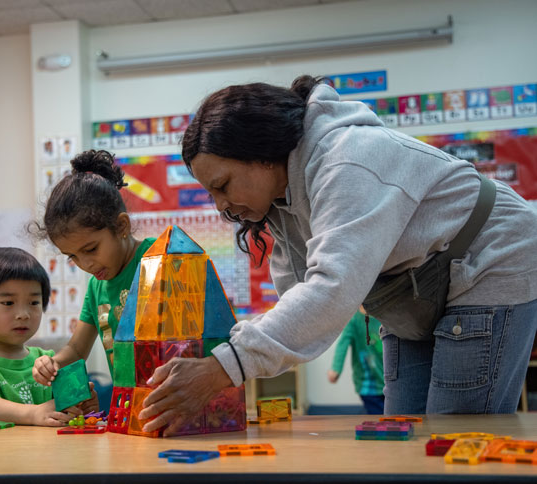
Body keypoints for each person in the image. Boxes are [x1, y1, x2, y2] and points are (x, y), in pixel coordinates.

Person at [138, 75, 537, 435]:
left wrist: (221, 368)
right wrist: (230, 358)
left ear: (261, 153)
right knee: (405, 433)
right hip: (421, 286)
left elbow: (332, 291)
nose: (221, 207)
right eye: (211, 193)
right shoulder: (280, 203)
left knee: (454, 438)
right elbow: (299, 303)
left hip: (491, 256)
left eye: (222, 186)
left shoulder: (347, 160)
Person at [30, 150, 155, 387]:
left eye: (91, 249)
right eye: (72, 257)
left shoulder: (159, 259)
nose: (85, 265)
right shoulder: (97, 286)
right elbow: (77, 349)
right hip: (131, 409)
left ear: (121, 226)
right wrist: (52, 363)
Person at [0, 247, 99, 425]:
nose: (24, 314)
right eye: (8, 303)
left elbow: (72, 413)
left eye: (34, 302)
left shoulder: (48, 360)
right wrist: (33, 414)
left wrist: (84, 406)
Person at [327, 311, 384, 415]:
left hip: (389, 382)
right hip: (369, 385)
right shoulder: (354, 320)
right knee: (380, 418)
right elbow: (342, 345)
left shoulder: (385, 316)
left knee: (391, 418)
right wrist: (336, 368)